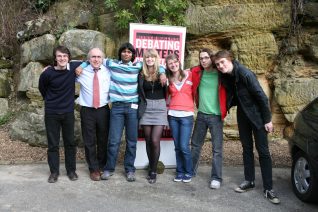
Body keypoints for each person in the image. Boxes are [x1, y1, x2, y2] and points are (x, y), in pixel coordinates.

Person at [77, 43, 166, 182]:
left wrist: (163, 72)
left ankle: (130, 169)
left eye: (129, 52)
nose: (126, 54)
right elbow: (93, 59)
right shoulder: (111, 64)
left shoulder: (138, 67)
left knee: (131, 141)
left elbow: (156, 66)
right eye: (124, 51)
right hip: (117, 108)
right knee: (113, 141)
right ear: (120, 53)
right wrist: (82, 66)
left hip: (132, 107)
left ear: (132, 55)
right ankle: (109, 168)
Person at [214, 50, 280, 204]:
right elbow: (233, 96)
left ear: (230, 59)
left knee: (263, 152)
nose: (220, 66)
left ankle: (268, 188)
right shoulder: (226, 76)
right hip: (243, 115)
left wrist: (268, 120)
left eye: (222, 62)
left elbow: (261, 97)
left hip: (257, 117)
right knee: (246, 149)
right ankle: (249, 181)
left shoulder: (245, 74)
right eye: (217, 64)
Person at [38, 46, 78, 183]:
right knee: (53, 145)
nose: (62, 58)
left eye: (65, 56)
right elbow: (42, 89)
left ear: (69, 57)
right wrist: (50, 101)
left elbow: (89, 61)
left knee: (70, 143)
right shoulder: (47, 73)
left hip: (68, 112)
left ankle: (71, 171)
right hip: (52, 113)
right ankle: (54, 172)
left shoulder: (72, 68)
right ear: (55, 58)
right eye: (59, 56)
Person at [190, 48, 227, 189]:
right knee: (195, 145)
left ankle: (216, 177)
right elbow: (181, 71)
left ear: (211, 58)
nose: (203, 60)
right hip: (201, 115)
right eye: (201, 58)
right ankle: (191, 171)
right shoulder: (197, 72)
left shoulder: (220, 73)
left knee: (217, 149)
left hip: (216, 117)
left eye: (206, 57)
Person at [76, 47, 111, 181]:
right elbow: (63, 65)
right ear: (88, 59)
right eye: (93, 57)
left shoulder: (109, 69)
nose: (96, 59)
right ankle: (93, 169)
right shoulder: (80, 71)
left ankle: (102, 165)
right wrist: (48, 68)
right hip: (87, 110)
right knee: (89, 140)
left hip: (103, 109)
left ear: (103, 59)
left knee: (103, 139)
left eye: (98, 57)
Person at [137, 49, 168, 184]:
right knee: (148, 140)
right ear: (144, 59)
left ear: (156, 58)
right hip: (146, 108)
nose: (149, 59)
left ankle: (154, 170)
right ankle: (151, 167)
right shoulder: (141, 73)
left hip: (160, 108)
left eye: (152, 57)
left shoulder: (163, 71)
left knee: (155, 140)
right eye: (147, 57)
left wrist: (162, 73)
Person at [166, 53, 194, 183]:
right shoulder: (167, 79)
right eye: (170, 63)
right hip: (173, 116)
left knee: (184, 146)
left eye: (175, 62)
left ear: (179, 62)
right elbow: (166, 97)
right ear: (167, 66)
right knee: (177, 146)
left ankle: (189, 171)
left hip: (186, 116)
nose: (173, 64)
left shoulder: (189, 74)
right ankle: (180, 171)